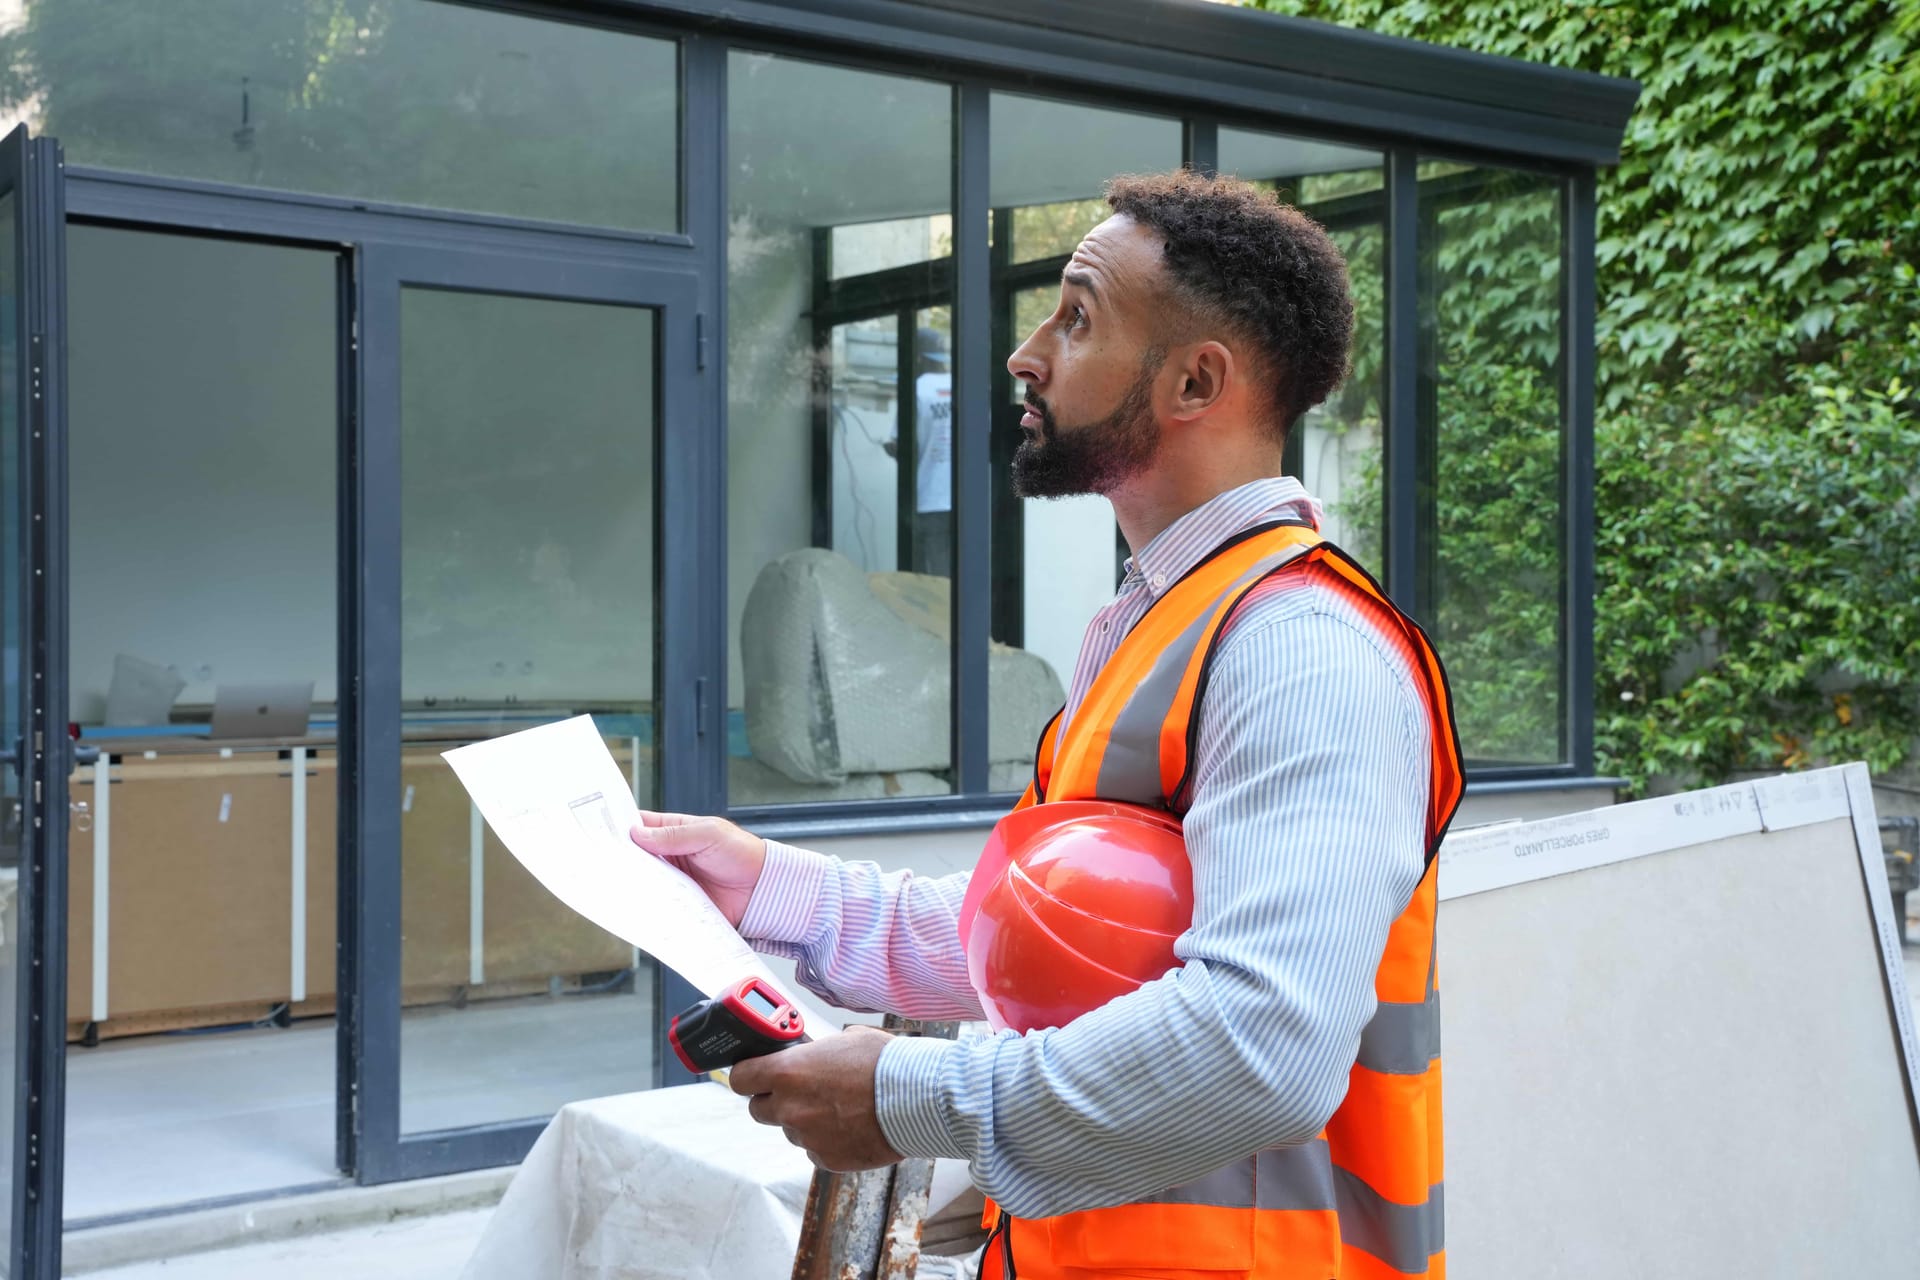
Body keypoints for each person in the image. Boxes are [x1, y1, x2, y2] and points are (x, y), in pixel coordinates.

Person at [631, 170, 1463, 1279]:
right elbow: (1049, 941)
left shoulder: (1302, 652)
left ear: (1194, 379)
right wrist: (770, 886)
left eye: (1076, 317)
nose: (1027, 353)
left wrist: (901, 1093)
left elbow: (1264, 1046)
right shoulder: (1163, 626)